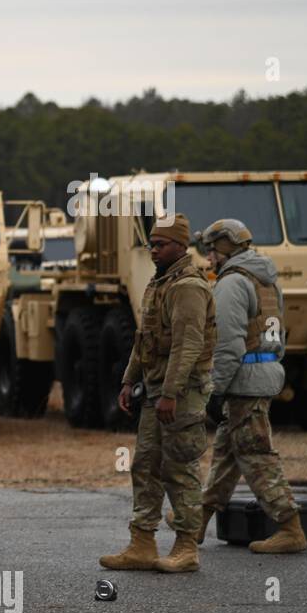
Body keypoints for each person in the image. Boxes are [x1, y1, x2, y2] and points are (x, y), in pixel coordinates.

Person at [102, 214, 215, 573]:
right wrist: (128, 379)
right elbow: (144, 339)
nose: (153, 250)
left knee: (179, 467)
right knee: (146, 465)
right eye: (151, 243)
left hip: (181, 392)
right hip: (155, 390)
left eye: (160, 244)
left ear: (181, 246)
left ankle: (186, 546)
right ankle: (142, 542)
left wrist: (170, 393)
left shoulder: (188, 287)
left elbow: (188, 345)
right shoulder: (160, 282)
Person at [194, 218, 307, 553]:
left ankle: (290, 527)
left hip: (244, 381)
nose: (209, 257)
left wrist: (214, 389)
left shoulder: (231, 284)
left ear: (226, 249)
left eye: (212, 250)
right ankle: (197, 519)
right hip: (265, 373)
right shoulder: (267, 281)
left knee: (256, 454)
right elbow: (278, 335)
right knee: (229, 451)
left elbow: (228, 345)